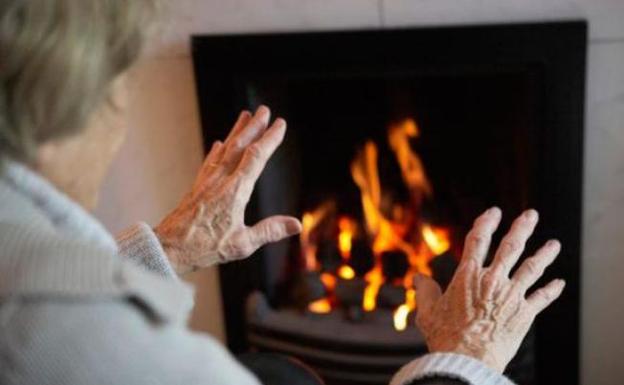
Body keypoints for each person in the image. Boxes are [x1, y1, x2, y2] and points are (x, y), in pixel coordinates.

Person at [0, 2, 565, 384]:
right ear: (52, 123)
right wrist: (463, 359)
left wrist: (168, 250)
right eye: (117, 91)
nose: (121, 120)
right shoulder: (97, 344)